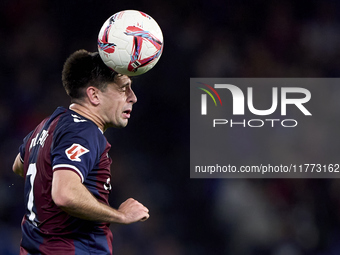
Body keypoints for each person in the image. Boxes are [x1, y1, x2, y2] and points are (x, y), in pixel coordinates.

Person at [12, 49, 149, 255]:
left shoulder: (45, 126)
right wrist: (121, 215)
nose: (133, 97)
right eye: (123, 89)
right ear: (94, 95)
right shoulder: (84, 131)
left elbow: (19, 166)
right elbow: (65, 194)